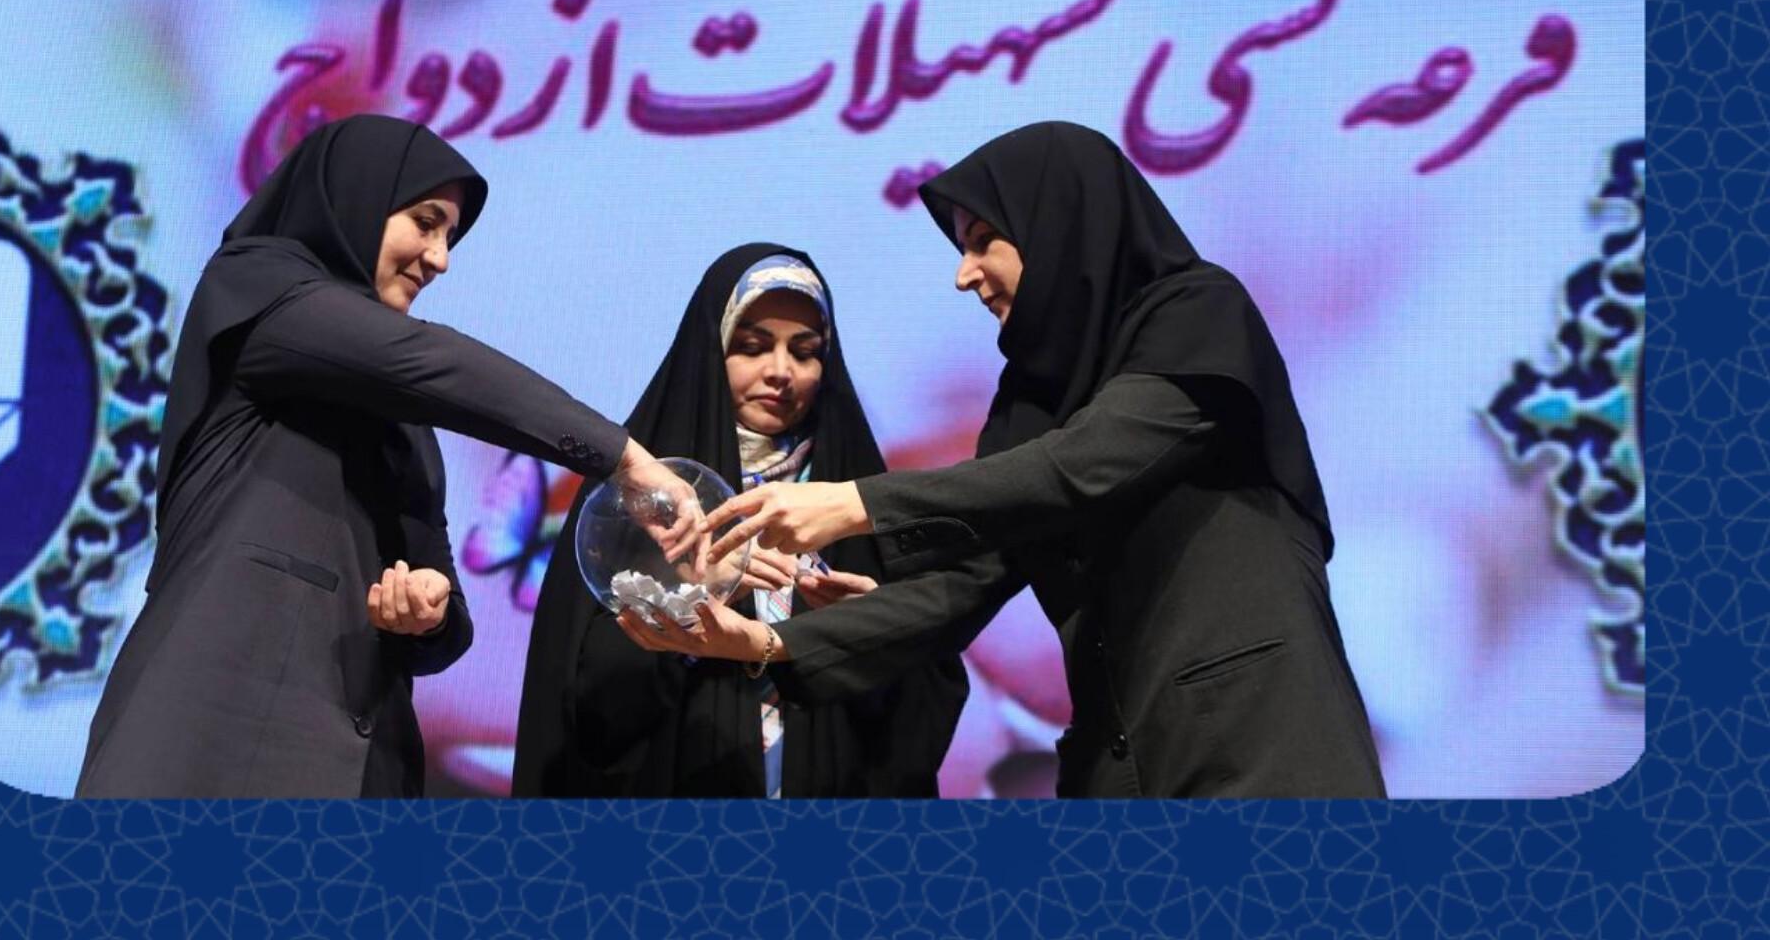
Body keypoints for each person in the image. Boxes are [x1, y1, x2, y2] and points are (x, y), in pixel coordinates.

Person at [633, 122, 1387, 799]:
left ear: (1059, 225)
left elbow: (1087, 464)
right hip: (1120, 775)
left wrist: (855, 503)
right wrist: (764, 643)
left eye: (983, 239)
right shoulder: (1028, 406)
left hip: (1260, 754)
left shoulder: (1198, 312)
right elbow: (962, 584)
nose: (964, 274)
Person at [75, 115, 675, 798]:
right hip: (209, 749)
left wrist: (429, 613)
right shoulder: (257, 290)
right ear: (358, 195)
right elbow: (430, 363)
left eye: (449, 237)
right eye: (425, 222)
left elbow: (440, 603)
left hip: (359, 772)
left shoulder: (404, 423)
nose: (440, 258)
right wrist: (620, 455)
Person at [513, 244, 968, 797]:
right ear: (710, 352)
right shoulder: (634, 498)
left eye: (805, 352)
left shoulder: (855, 495)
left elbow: (925, 704)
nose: (780, 371)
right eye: (751, 347)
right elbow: (582, 699)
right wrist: (688, 596)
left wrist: (867, 632)